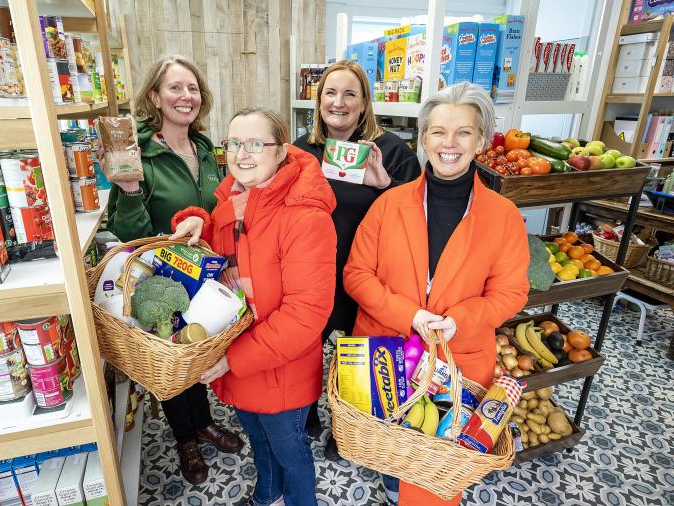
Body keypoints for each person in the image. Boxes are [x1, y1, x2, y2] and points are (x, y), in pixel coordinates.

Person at [343, 82, 530, 506]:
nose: (449, 144)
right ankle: (393, 479)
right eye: (438, 132)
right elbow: (356, 274)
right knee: (391, 452)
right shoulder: (388, 204)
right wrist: (410, 315)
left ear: (481, 140)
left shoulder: (503, 217)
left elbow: (511, 292)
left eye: (463, 132)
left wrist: (461, 317)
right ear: (423, 137)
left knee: (433, 485)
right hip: (387, 356)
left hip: (457, 366)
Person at [170, 107, 336, 506]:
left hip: (280, 367)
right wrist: (198, 223)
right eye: (234, 143)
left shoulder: (305, 217)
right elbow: (227, 253)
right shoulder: (236, 195)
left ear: (281, 152)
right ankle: (267, 496)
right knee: (259, 443)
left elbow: (305, 315)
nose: (242, 154)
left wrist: (233, 359)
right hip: (241, 359)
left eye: (255, 144)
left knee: (290, 452)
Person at [105, 55, 242, 485]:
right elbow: (128, 234)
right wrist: (128, 190)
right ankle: (184, 437)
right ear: (155, 97)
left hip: (201, 270)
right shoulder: (136, 153)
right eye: (175, 88)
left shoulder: (203, 147)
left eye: (193, 88)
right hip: (159, 277)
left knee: (196, 351)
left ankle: (202, 421)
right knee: (170, 365)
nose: (187, 97)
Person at [293, 60, 421, 461]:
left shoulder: (394, 152)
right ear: (319, 101)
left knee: (360, 354)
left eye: (350, 93)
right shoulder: (301, 152)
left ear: (365, 103)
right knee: (306, 347)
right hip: (311, 273)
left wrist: (383, 185)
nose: (339, 102)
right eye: (331, 93)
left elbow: (417, 215)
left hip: (368, 275)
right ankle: (306, 411)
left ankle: (348, 427)